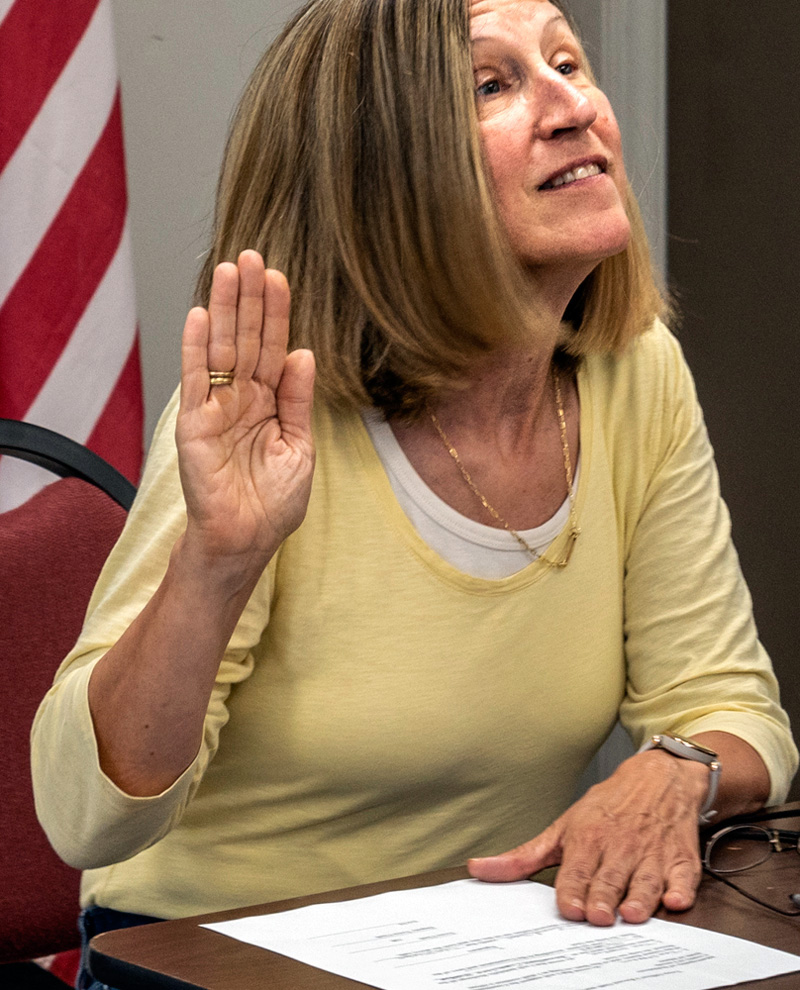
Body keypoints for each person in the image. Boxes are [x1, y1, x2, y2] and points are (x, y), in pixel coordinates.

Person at [31, 0, 797, 984]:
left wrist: (680, 769)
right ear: (381, 170)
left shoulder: (632, 374)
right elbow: (82, 818)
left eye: (568, 62)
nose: (574, 105)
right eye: (493, 83)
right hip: (206, 958)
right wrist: (217, 559)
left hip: (496, 949)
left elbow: (727, 701)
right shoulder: (271, 405)